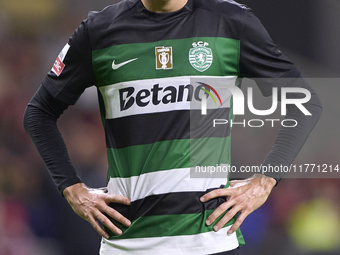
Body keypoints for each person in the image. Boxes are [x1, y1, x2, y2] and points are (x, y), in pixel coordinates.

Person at [23, 0, 322, 254]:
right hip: (128, 243)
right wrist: (72, 189)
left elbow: (305, 102)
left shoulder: (230, 23)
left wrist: (266, 180)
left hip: (209, 241)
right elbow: (38, 112)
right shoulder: (99, 31)